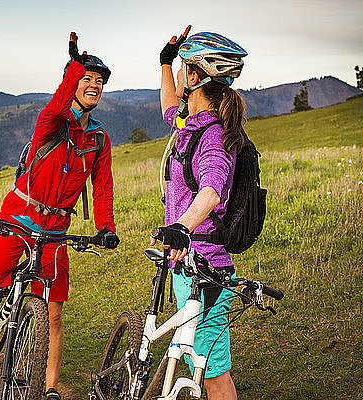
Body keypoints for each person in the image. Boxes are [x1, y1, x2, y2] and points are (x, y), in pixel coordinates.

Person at [0, 32, 120, 400]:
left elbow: (103, 187)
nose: (94, 86)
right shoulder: (52, 121)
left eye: (99, 82)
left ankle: (50, 389)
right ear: (74, 83)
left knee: (52, 314)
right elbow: (57, 102)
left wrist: (106, 227)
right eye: (88, 80)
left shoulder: (99, 139)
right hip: (18, 218)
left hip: (55, 230)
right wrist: (74, 66)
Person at [150, 26, 249, 400]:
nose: (176, 74)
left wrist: (181, 227)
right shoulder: (187, 123)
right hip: (185, 264)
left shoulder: (213, 136)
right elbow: (166, 106)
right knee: (196, 361)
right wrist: (164, 61)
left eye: (180, 67)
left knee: (211, 375)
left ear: (193, 77)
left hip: (206, 269)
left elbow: (211, 190)